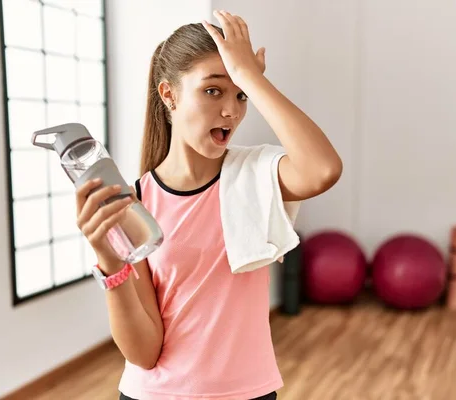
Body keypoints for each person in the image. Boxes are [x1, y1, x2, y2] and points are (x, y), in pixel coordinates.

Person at [75, 10, 342, 400]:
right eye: (213, 90)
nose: (231, 111)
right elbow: (144, 353)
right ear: (169, 95)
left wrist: (252, 76)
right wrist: (109, 260)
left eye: (240, 95)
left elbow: (323, 170)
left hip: (247, 393)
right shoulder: (137, 200)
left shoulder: (258, 173)